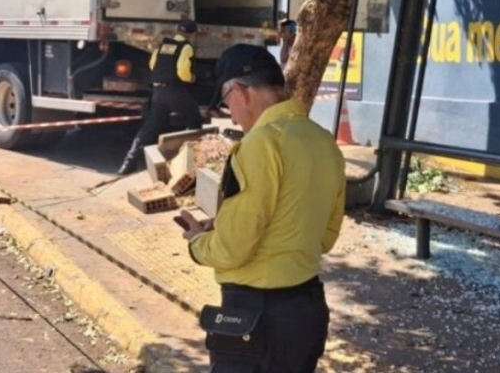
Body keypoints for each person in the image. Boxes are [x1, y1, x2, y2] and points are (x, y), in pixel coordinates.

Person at [178, 44, 345, 373]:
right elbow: (324, 237)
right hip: (306, 313)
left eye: (227, 104)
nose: (233, 115)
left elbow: (232, 249)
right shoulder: (322, 141)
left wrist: (198, 244)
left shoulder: (258, 145)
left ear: (238, 92)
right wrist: (227, 223)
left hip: (255, 321)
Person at [117, 19, 203, 175]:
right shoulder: (186, 47)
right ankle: (192, 163)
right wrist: (192, 78)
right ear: (191, 34)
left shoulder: (162, 45)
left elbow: (152, 65)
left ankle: (128, 163)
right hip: (175, 92)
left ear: (177, 30)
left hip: (158, 93)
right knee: (194, 118)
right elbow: (182, 73)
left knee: (148, 129)